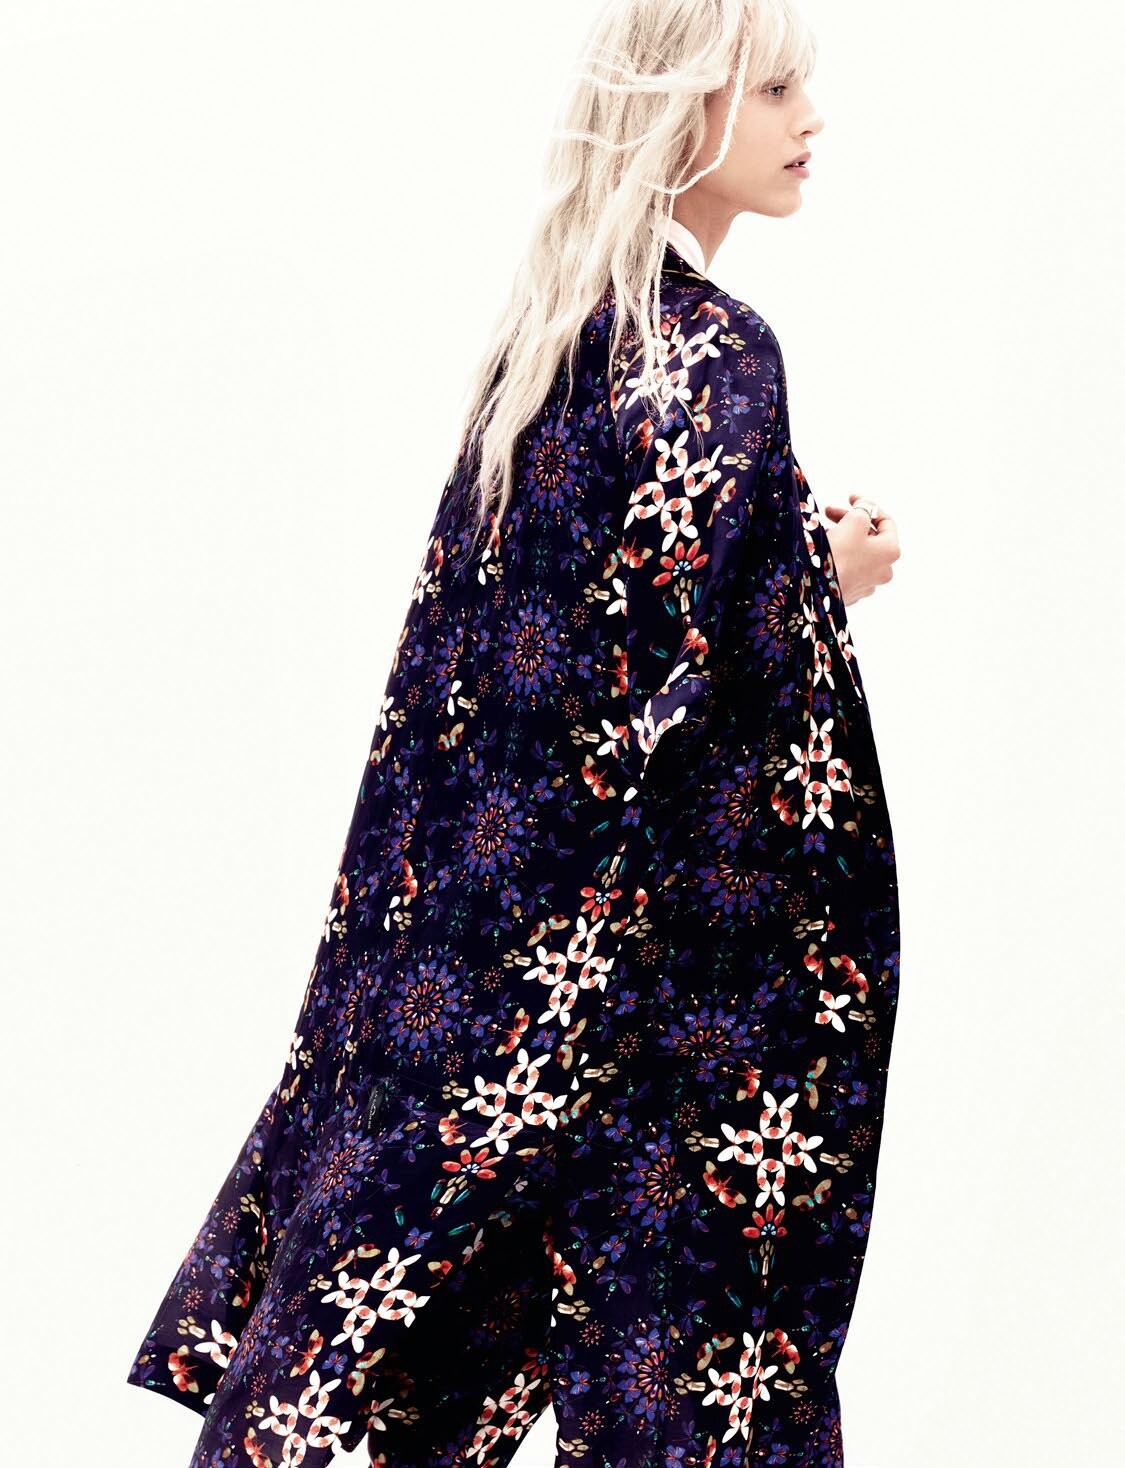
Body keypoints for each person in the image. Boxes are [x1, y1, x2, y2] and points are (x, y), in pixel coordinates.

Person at [126, 3, 903, 1465]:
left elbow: (546, 645)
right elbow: (682, 678)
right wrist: (828, 576)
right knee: (684, 1377)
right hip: (661, 991)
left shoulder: (550, 345)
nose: (811, 117)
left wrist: (790, 555)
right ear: (680, 106)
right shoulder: (717, 353)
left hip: (499, 961)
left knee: (407, 1330)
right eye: (773, 87)